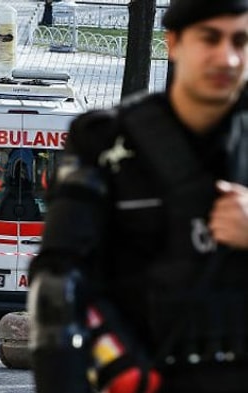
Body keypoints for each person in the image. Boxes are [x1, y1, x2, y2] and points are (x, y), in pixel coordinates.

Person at [28, 1, 248, 393]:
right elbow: (57, 285)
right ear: (175, 42)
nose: (227, 57)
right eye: (210, 39)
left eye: (241, 41)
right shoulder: (102, 139)